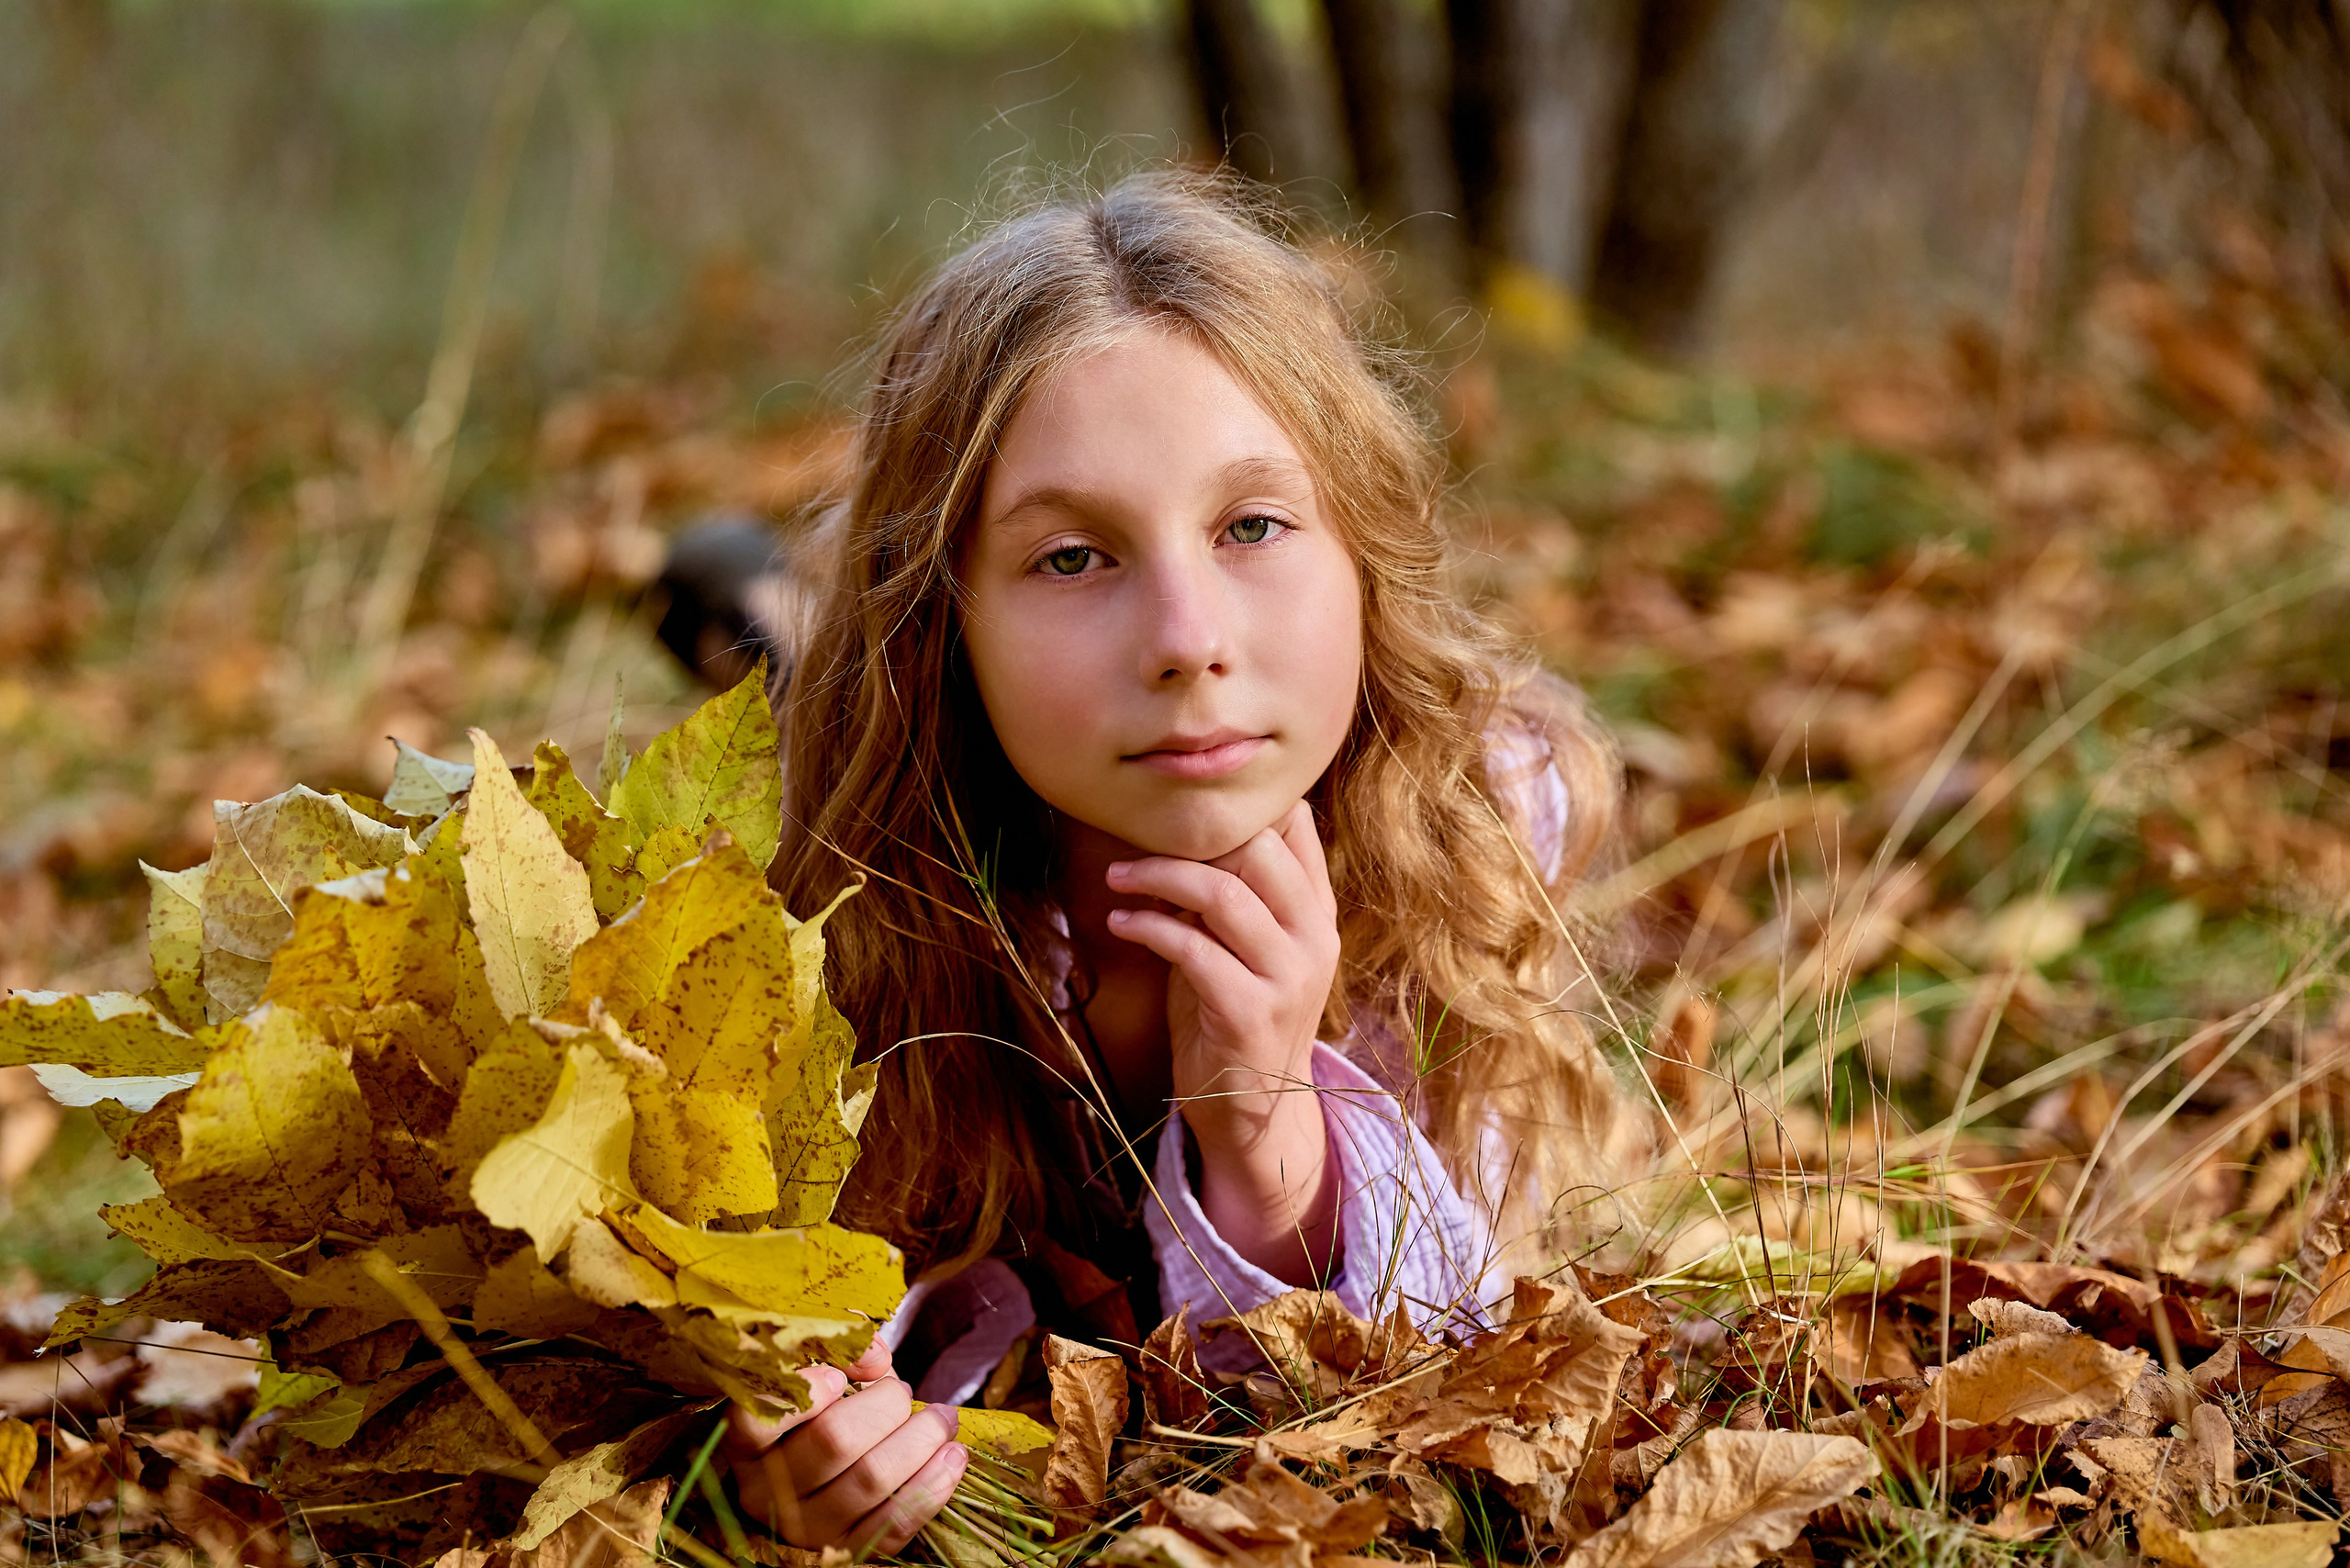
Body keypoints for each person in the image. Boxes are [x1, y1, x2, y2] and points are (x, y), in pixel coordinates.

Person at [711, 169, 1639, 1556]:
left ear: (1363, 551)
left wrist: (1267, 1134)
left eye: (1253, 528)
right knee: (791, 680)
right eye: (1075, 557)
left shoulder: (1464, 826)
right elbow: (779, 1307)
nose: (1188, 638)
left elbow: (1446, 1371)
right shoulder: (833, 895)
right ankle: (751, 610)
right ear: (944, 615)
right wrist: (775, 1441)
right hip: (903, 747)